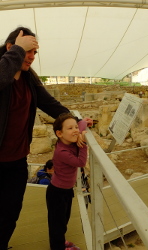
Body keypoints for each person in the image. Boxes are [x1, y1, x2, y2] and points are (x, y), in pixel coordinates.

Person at [0, 26, 92, 250]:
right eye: (27, 51)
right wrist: (17, 52)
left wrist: (76, 122)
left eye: (34, 52)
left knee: (11, 211)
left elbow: (51, 105)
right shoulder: (4, 69)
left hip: (17, 160)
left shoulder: (29, 79)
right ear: (11, 48)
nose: (31, 57)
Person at [46, 113, 88, 250]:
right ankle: (57, 247)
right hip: (57, 193)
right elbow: (80, 162)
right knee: (56, 226)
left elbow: (81, 123)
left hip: (66, 190)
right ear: (59, 133)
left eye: (75, 127)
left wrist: (85, 122)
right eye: (70, 129)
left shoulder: (68, 140)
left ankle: (61, 242)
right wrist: (83, 143)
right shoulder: (62, 152)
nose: (75, 130)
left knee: (63, 221)